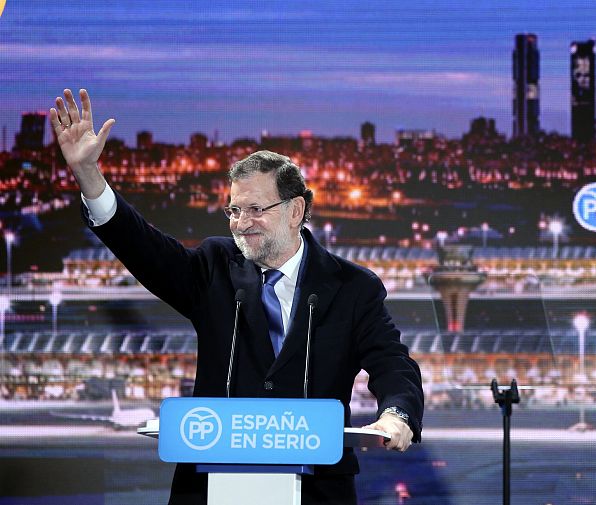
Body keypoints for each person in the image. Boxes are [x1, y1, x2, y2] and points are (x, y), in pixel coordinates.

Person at [49, 89, 424, 505]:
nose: (242, 223)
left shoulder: (353, 288)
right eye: (234, 210)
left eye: (256, 210)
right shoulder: (214, 266)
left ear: (295, 211)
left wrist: (396, 414)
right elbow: (144, 248)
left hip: (315, 489)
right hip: (212, 484)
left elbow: (393, 363)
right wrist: (88, 175)